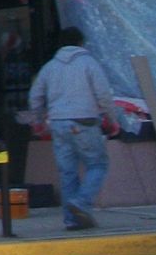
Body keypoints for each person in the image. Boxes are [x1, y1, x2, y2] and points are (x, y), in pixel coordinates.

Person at [27, 26, 117, 230]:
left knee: (67, 172)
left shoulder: (50, 67)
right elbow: (103, 94)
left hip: (58, 123)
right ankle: (81, 203)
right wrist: (111, 118)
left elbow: (36, 96)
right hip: (84, 121)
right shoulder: (89, 63)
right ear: (80, 43)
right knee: (97, 165)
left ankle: (71, 219)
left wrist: (38, 120)